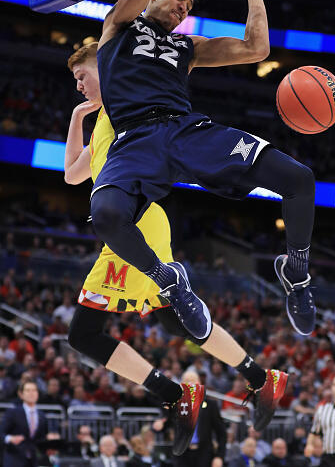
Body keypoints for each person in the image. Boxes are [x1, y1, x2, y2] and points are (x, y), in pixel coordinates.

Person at [66, 43, 288, 455]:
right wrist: (80, 117)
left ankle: (174, 395)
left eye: (82, 75)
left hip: (133, 223)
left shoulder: (126, 99)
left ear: (104, 65)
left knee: (84, 333)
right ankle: (260, 377)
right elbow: (72, 175)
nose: (78, 86)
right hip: (134, 224)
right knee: (174, 322)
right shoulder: (100, 119)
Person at [88, 0, 316, 339]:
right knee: (106, 215)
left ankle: (296, 271)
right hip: (133, 141)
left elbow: (256, 49)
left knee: (299, 179)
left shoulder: (187, 48)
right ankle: (170, 281)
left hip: (185, 131)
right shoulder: (117, 27)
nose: (183, 8)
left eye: (189, 6)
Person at [172, 371, 226, 467]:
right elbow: (166, 421)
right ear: (181, 385)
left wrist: (219, 456)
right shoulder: (175, 405)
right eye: (187, 381)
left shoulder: (211, 405)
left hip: (204, 454)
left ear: (199, 383)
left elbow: (221, 433)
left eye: (193, 380)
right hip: (182, 455)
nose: (190, 383)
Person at [0, 379, 48, 467]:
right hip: (14, 459)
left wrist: (50, 443)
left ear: (38, 394)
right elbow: (1, 433)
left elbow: (41, 439)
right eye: (28, 390)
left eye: (34, 390)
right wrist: (9, 438)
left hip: (33, 460)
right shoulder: (12, 413)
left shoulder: (42, 415)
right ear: (21, 394)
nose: (31, 393)